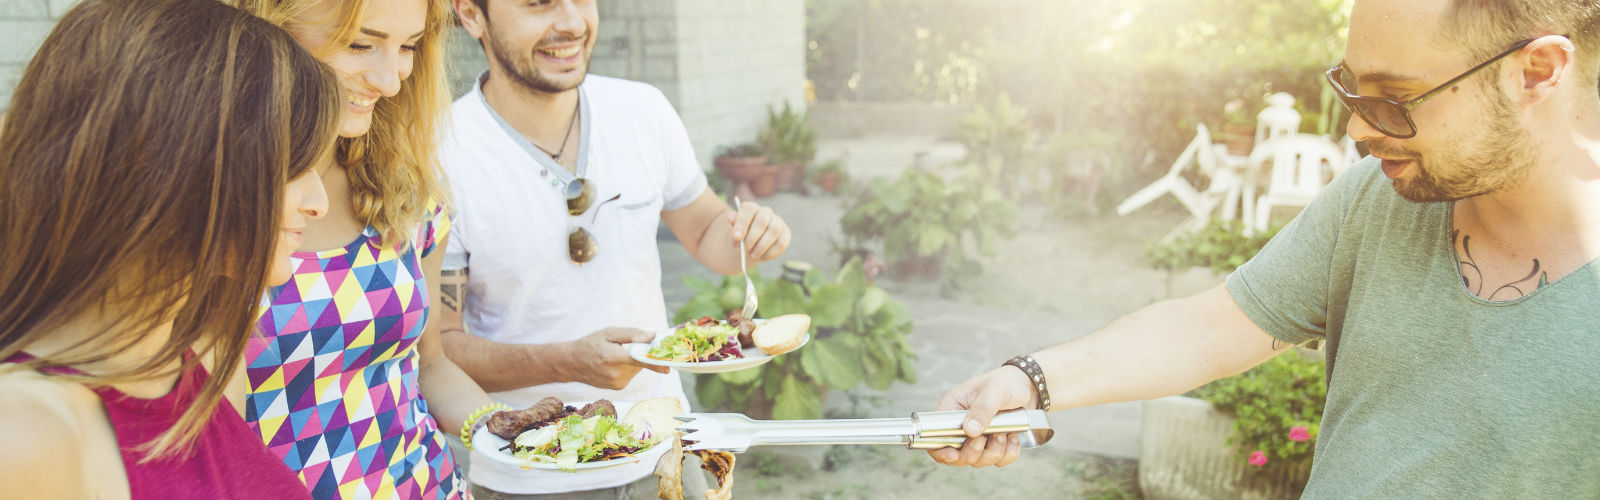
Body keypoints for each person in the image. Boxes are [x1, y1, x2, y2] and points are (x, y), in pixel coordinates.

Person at [930, 0, 1600, 497]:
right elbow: (1210, 329)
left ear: (1536, 70)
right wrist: (1028, 381)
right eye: (1351, 87)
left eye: (1396, 99)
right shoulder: (1372, 201)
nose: (1357, 128)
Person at [438, 0, 794, 496]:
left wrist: (749, 237)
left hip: (667, 451)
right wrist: (564, 361)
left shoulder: (643, 110)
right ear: (472, 15)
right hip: (534, 471)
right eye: (538, 3)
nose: (571, 22)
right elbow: (438, 347)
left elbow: (706, 230)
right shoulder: (440, 152)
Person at [0, 0, 340, 497]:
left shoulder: (203, 347)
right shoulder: (30, 436)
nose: (319, 202)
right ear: (177, 164)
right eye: (292, 165)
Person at [224, 0, 499, 499]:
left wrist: (510, 431)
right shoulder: (207, 206)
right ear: (267, 27)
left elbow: (428, 365)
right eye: (359, 43)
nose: (390, 81)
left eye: (408, 47)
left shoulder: (405, 190)